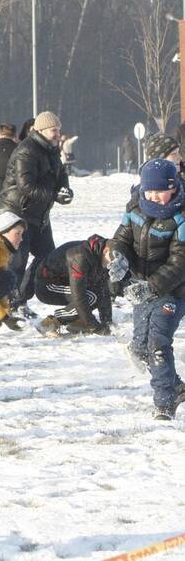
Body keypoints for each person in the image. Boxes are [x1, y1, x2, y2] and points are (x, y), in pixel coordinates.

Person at [111, 159, 185, 420]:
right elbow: (120, 240)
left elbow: (180, 262)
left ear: (174, 188)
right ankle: (174, 384)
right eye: (149, 192)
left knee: (157, 342)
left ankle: (165, 400)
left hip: (174, 291)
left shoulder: (181, 216)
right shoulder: (135, 207)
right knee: (139, 348)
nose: (154, 197)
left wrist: (152, 287)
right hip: (141, 287)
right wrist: (118, 258)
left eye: (160, 192)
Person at [0, 111, 70, 315]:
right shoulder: (26, 150)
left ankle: (21, 297)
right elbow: (25, 186)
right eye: (54, 130)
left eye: (58, 130)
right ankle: (11, 303)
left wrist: (65, 190)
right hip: (18, 213)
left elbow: (61, 174)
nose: (58, 134)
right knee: (17, 261)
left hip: (39, 215)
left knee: (47, 257)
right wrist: (54, 195)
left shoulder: (52, 150)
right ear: (42, 130)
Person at [32, 234, 122, 337]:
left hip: (66, 283)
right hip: (46, 286)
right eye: (111, 261)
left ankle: (75, 322)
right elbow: (79, 295)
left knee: (97, 293)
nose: (110, 266)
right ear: (106, 251)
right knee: (91, 297)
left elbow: (103, 289)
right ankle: (49, 324)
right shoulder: (79, 256)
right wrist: (94, 326)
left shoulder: (101, 255)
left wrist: (107, 323)